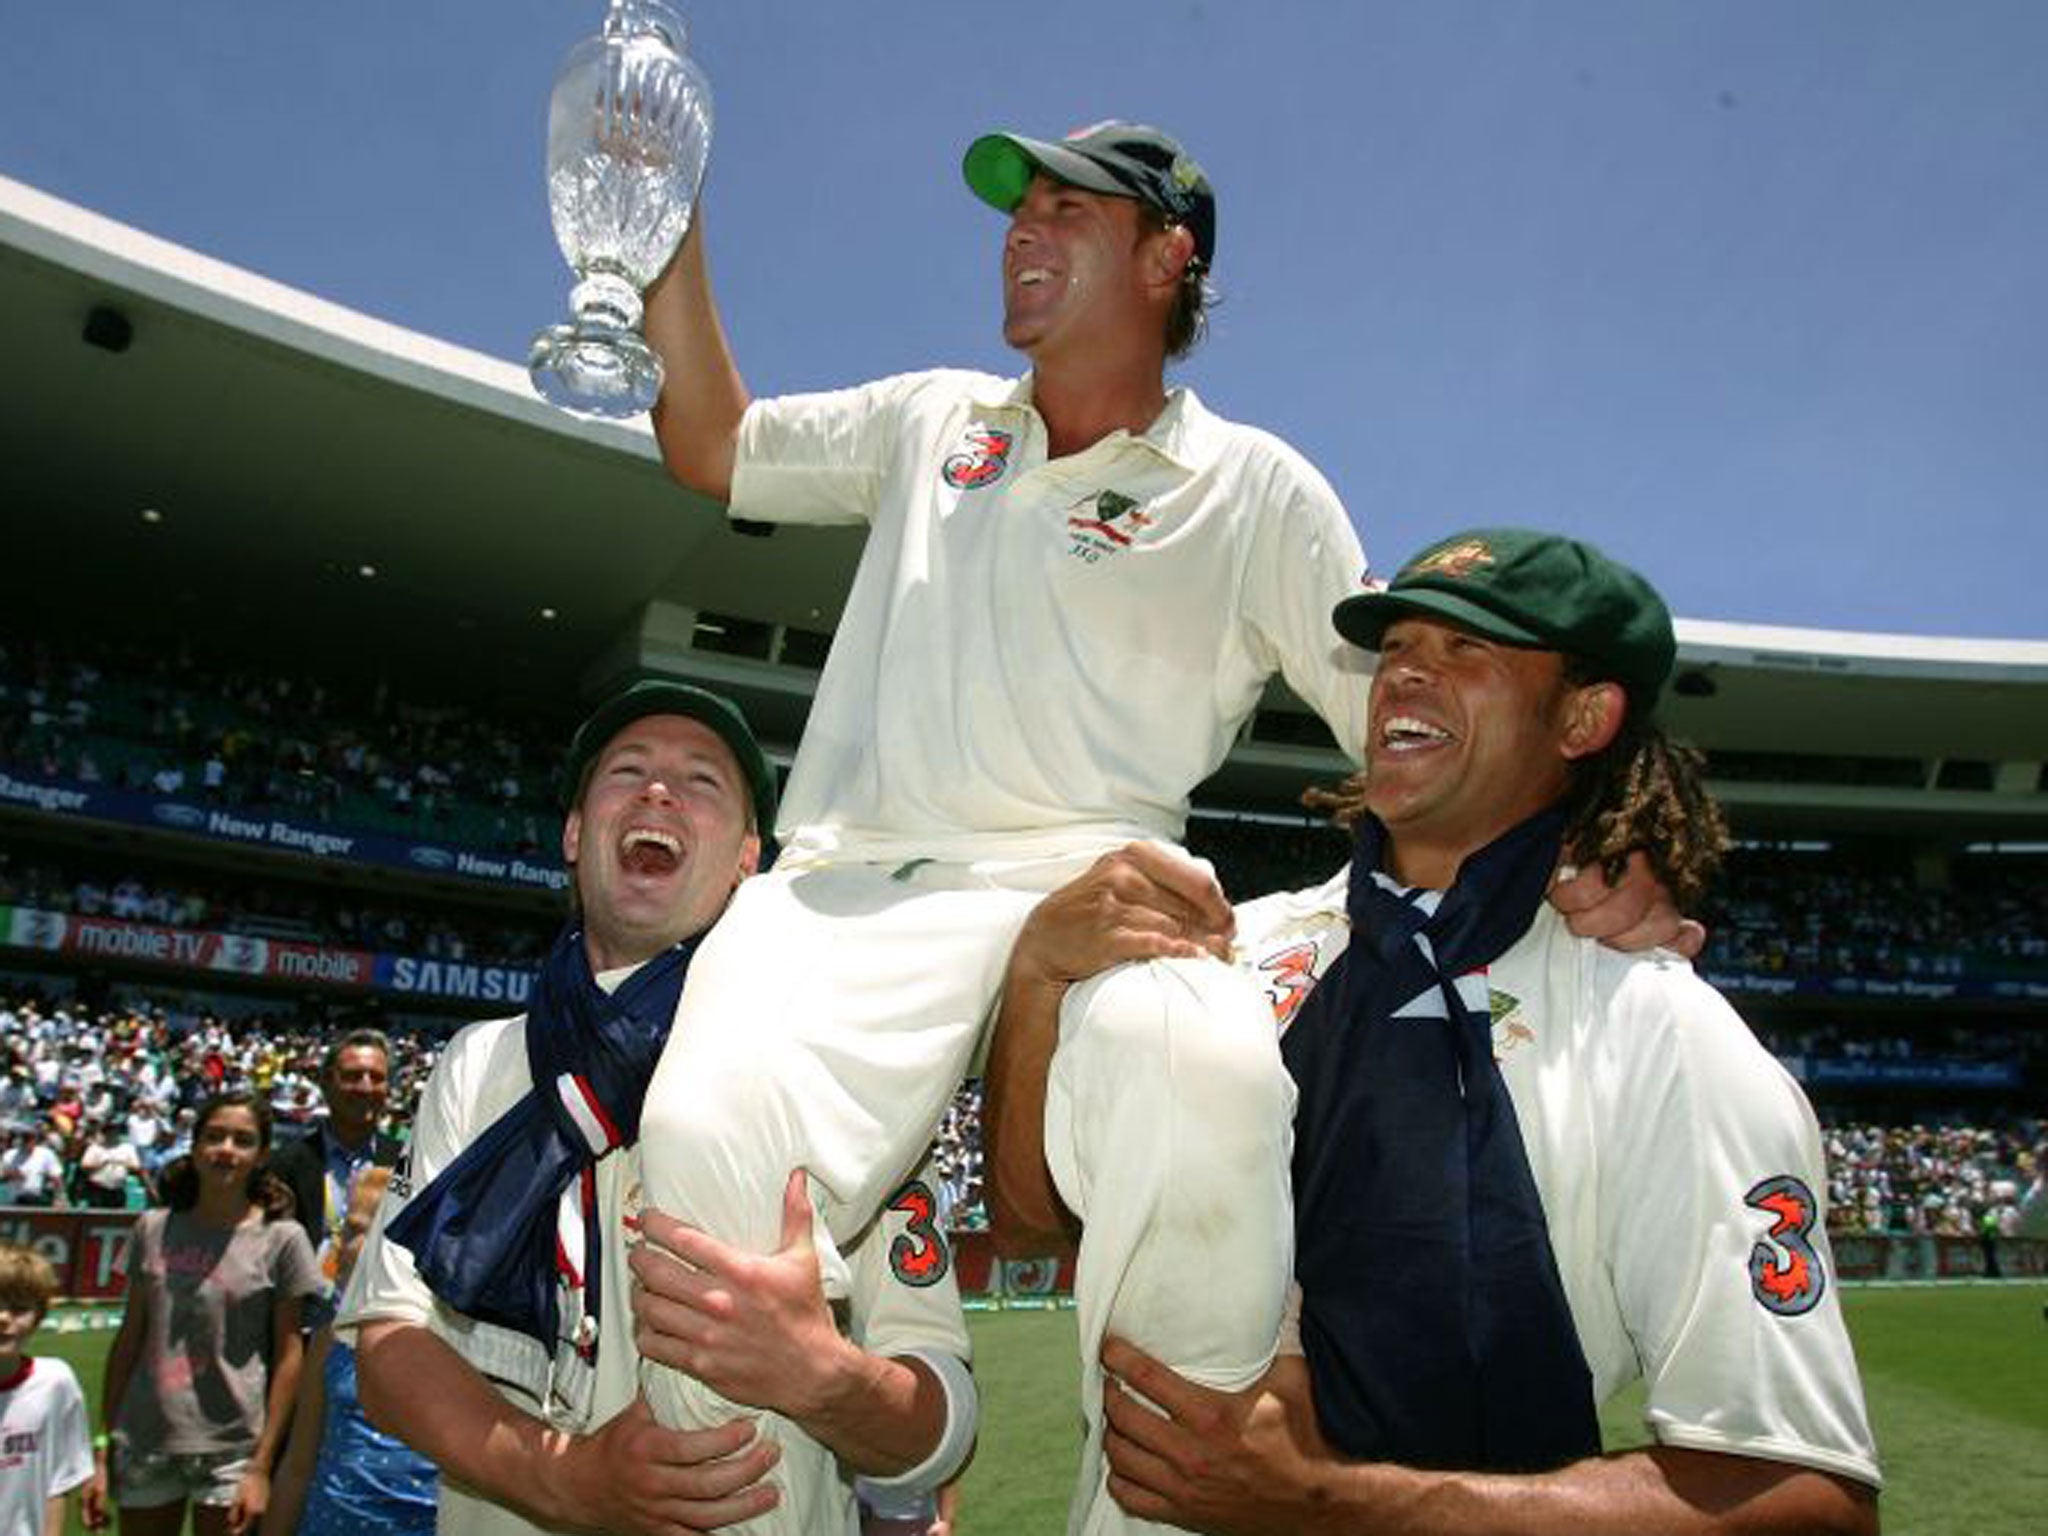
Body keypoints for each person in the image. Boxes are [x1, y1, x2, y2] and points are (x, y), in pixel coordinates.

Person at [633, 120, 1684, 1510]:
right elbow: (709, 443)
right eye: (1016, 212)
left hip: (1099, 893)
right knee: (700, 1142)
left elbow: (1416, 729)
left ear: (1166, 255)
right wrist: (656, 219)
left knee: (1211, 1082)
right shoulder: (931, 420)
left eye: (1066, 210)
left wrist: (1602, 839)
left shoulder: (1254, 488)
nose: (1020, 231)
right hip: (845, 896)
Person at [991, 528, 1880, 1535]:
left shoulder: (1659, 1031)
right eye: (1398, 645)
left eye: (1468, 651)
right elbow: (1034, 1229)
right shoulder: (1226, 953)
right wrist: (1034, 982)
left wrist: (1326, 1504)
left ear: (1582, 716)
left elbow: (1807, 1503)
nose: (1405, 671)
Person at [341, 680, 976, 1536]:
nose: (658, 791)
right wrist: (565, 1480)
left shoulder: (841, 1070)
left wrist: (821, 1377)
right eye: (627, 771)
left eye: (702, 780)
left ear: (750, 855)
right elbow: (389, 1344)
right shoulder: (478, 1061)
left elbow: (944, 1424)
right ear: (574, 832)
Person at [94, 1091, 321, 1536]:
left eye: (242, 1140)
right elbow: (129, 1341)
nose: (226, 1150)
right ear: (194, 1146)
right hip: (146, 1437)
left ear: (261, 1155)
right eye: (214, 1137)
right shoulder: (153, 1227)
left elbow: (290, 1356)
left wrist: (261, 1465)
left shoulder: (283, 1239)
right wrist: (103, 1450)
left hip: (233, 1449)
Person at [263, 1168, 435, 1536]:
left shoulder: (456, 1342)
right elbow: (298, 1464)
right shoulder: (331, 1338)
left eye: (354, 1231)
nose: (336, 1248)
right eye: (341, 1231)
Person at [267, 1030, 403, 1324]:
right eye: (353, 1076)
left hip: (376, 1323)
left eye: (376, 1077)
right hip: (299, 1322)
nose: (366, 1088)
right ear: (326, 1083)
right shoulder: (284, 1164)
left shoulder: (408, 1162)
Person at [0, 1242, 95, 1536]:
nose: (3, 1318)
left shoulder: (55, 1383)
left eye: (19, 1308)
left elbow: (57, 1482)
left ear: (39, 1316)